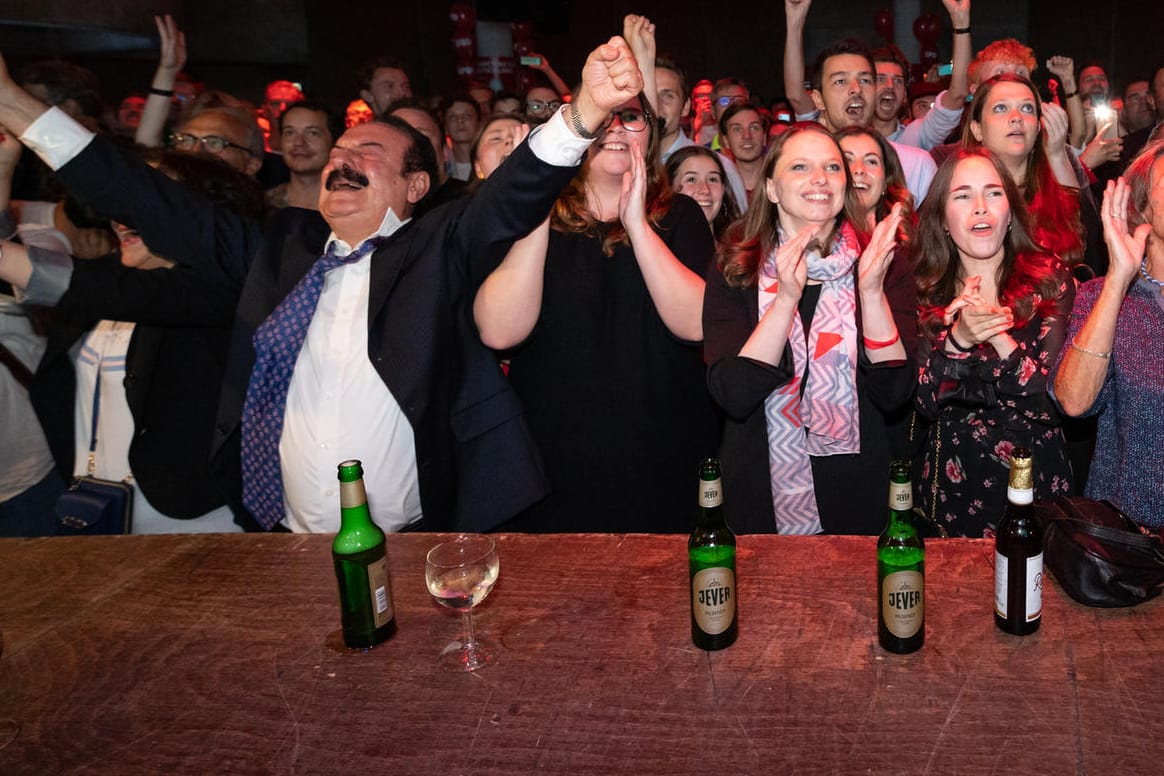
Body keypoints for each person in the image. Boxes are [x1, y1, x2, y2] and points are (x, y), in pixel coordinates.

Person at [0, 37, 644, 535]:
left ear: (416, 186)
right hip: (281, 539)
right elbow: (145, 196)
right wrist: (17, 106)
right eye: (341, 149)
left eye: (368, 152)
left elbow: (511, 194)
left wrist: (586, 109)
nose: (343, 158)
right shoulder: (278, 247)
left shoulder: (433, 247)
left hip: (416, 538)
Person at [474, 91, 721, 533]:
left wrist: (637, 226)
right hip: (557, 452)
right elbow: (500, 332)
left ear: (651, 133)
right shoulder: (530, 219)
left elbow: (698, 324)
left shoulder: (680, 214)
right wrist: (538, 199)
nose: (615, 128)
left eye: (631, 117)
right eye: (600, 118)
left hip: (663, 447)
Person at [0, 145, 261, 533]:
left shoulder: (220, 293)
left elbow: (95, 288)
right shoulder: (108, 277)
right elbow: (25, 273)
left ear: (188, 214)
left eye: (140, 204)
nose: (122, 219)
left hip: (188, 520)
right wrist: (5, 168)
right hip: (96, 509)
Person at [703, 123, 916, 535]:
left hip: (858, 491)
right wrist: (784, 301)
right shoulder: (734, 267)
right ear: (770, 189)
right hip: (760, 493)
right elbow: (734, 393)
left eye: (832, 168)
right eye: (800, 167)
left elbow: (895, 395)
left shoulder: (883, 263)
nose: (820, 179)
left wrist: (870, 293)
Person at [913, 148, 1074, 537]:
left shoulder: (1049, 280)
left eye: (994, 193)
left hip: (1034, 486)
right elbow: (922, 403)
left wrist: (998, 337)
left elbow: (1054, 404)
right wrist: (958, 339)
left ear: (1010, 213)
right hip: (950, 489)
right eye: (963, 195)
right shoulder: (924, 291)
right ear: (944, 220)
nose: (981, 207)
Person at [1051, 144, 1164, 528]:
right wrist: (1118, 278)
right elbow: (1074, 402)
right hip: (1129, 541)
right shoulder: (1101, 296)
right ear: (1142, 207)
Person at [961, 74, 1091, 271]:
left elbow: (1083, 246)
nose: (1016, 118)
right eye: (1001, 108)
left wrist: (1057, 155)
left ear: (1039, 127)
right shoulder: (957, 193)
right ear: (977, 129)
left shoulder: (1053, 188)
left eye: (1027, 108)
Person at [835, 126, 914, 235]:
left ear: (886, 181)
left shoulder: (911, 243)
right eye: (847, 160)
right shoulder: (812, 243)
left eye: (871, 162)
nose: (859, 169)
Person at [265, 100, 339, 210]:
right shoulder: (263, 207)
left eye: (312, 133)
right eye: (290, 133)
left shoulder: (355, 205)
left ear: (334, 142)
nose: (299, 143)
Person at [666, 145, 741, 242]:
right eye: (691, 180)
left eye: (712, 179)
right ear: (669, 188)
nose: (705, 190)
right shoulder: (652, 251)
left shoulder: (740, 251)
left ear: (723, 189)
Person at [443, 95, 481, 182]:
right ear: (445, 127)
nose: (460, 121)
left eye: (467, 116)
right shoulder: (441, 169)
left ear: (478, 123)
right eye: (452, 117)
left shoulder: (491, 163)